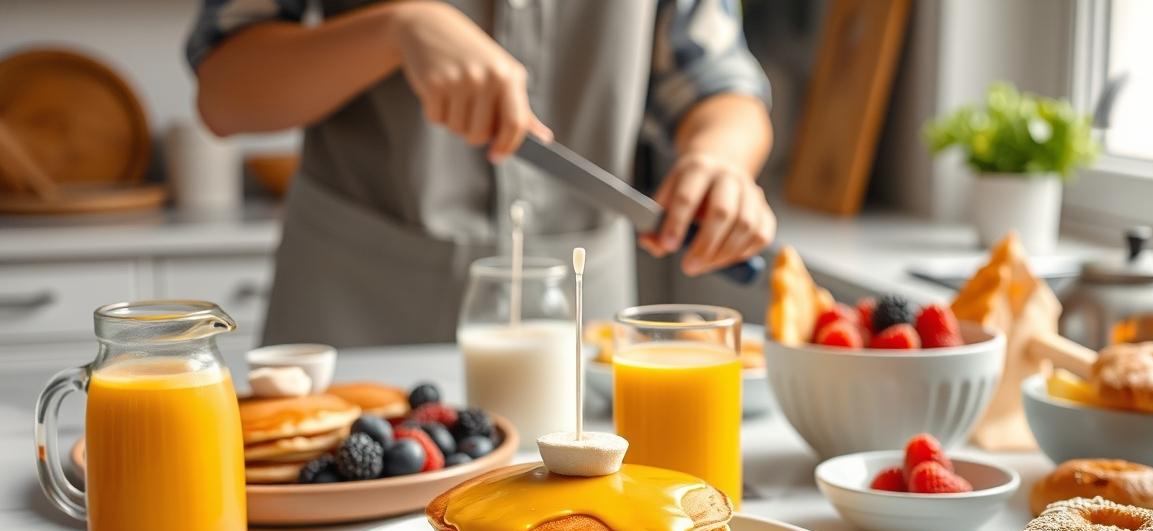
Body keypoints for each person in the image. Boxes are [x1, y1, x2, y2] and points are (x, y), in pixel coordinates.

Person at [188, 0, 776, 346]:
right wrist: (396, 30)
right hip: (353, 312)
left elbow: (718, 80)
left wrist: (720, 158)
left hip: (581, 319)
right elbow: (225, 93)